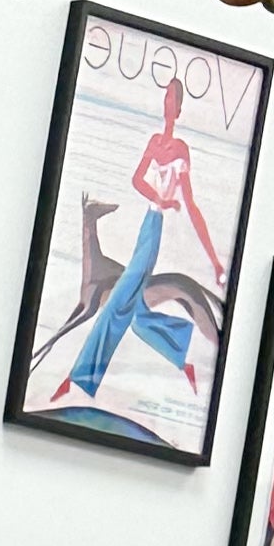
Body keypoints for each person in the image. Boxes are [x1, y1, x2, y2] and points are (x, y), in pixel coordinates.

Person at [54, 73, 220, 415]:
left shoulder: (181, 149)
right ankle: (180, 354)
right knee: (136, 315)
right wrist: (158, 196)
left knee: (115, 304)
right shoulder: (155, 141)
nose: (168, 103)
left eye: (173, 99)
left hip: (155, 230)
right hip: (148, 219)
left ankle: (78, 378)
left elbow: (190, 204)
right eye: (165, 97)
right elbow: (136, 179)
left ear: (180, 108)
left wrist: (215, 261)